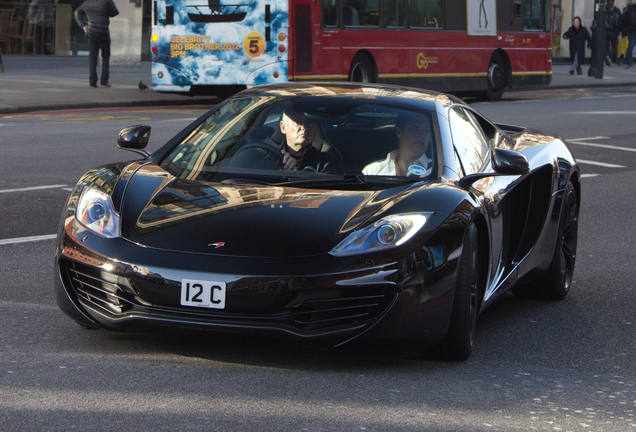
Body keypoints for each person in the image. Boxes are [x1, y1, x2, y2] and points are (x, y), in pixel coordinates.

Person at [363, 112, 433, 177]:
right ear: (399, 131)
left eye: (428, 131)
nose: (423, 135)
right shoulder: (372, 171)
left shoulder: (437, 172)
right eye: (415, 128)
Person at [279, 107, 342, 174]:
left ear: (317, 129)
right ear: (283, 127)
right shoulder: (271, 155)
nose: (304, 127)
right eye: (298, 121)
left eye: (310, 123)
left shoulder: (323, 162)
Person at [75, 0, 119, 88]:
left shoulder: (87, 3)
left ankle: (92, 82)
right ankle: (104, 80)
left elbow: (77, 12)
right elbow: (114, 12)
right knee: (105, 55)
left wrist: (83, 26)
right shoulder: (106, 1)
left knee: (93, 57)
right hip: (103, 31)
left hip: (91, 31)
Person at [605, 0, 622, 65]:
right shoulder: (616, 11)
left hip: (606, 30)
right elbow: (619, 22)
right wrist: (620, 30)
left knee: (606, 46)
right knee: (614, 46)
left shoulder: (605, 10)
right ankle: (610, 57)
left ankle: (607, 57)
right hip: (614, 31)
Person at [620, 2, 636, 68]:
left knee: (630, 46)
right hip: (632, 30)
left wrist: (625, 28)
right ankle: (628, 62)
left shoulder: (631, 9)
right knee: (631, 46)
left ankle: (627, 62)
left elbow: (623, 18)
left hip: (631, 30)